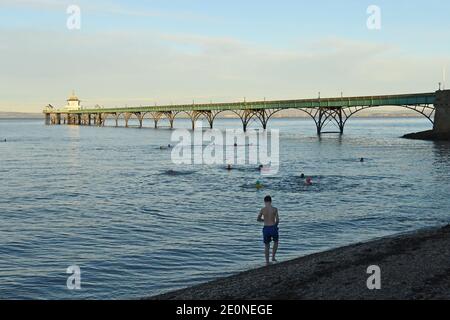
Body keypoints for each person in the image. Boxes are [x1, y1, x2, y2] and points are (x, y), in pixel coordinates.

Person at [257, 195, 279, 265]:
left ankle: (267, 261)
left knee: (267, 245)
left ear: (264, 201)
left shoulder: (263, 209)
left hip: (266, 228)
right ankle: (273, 257)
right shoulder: (275, 209)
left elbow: (258, 219)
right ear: (271, 201)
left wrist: (264, 220)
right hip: (273, 227)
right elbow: (277, 220)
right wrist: (275, 225)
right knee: (276, 242)